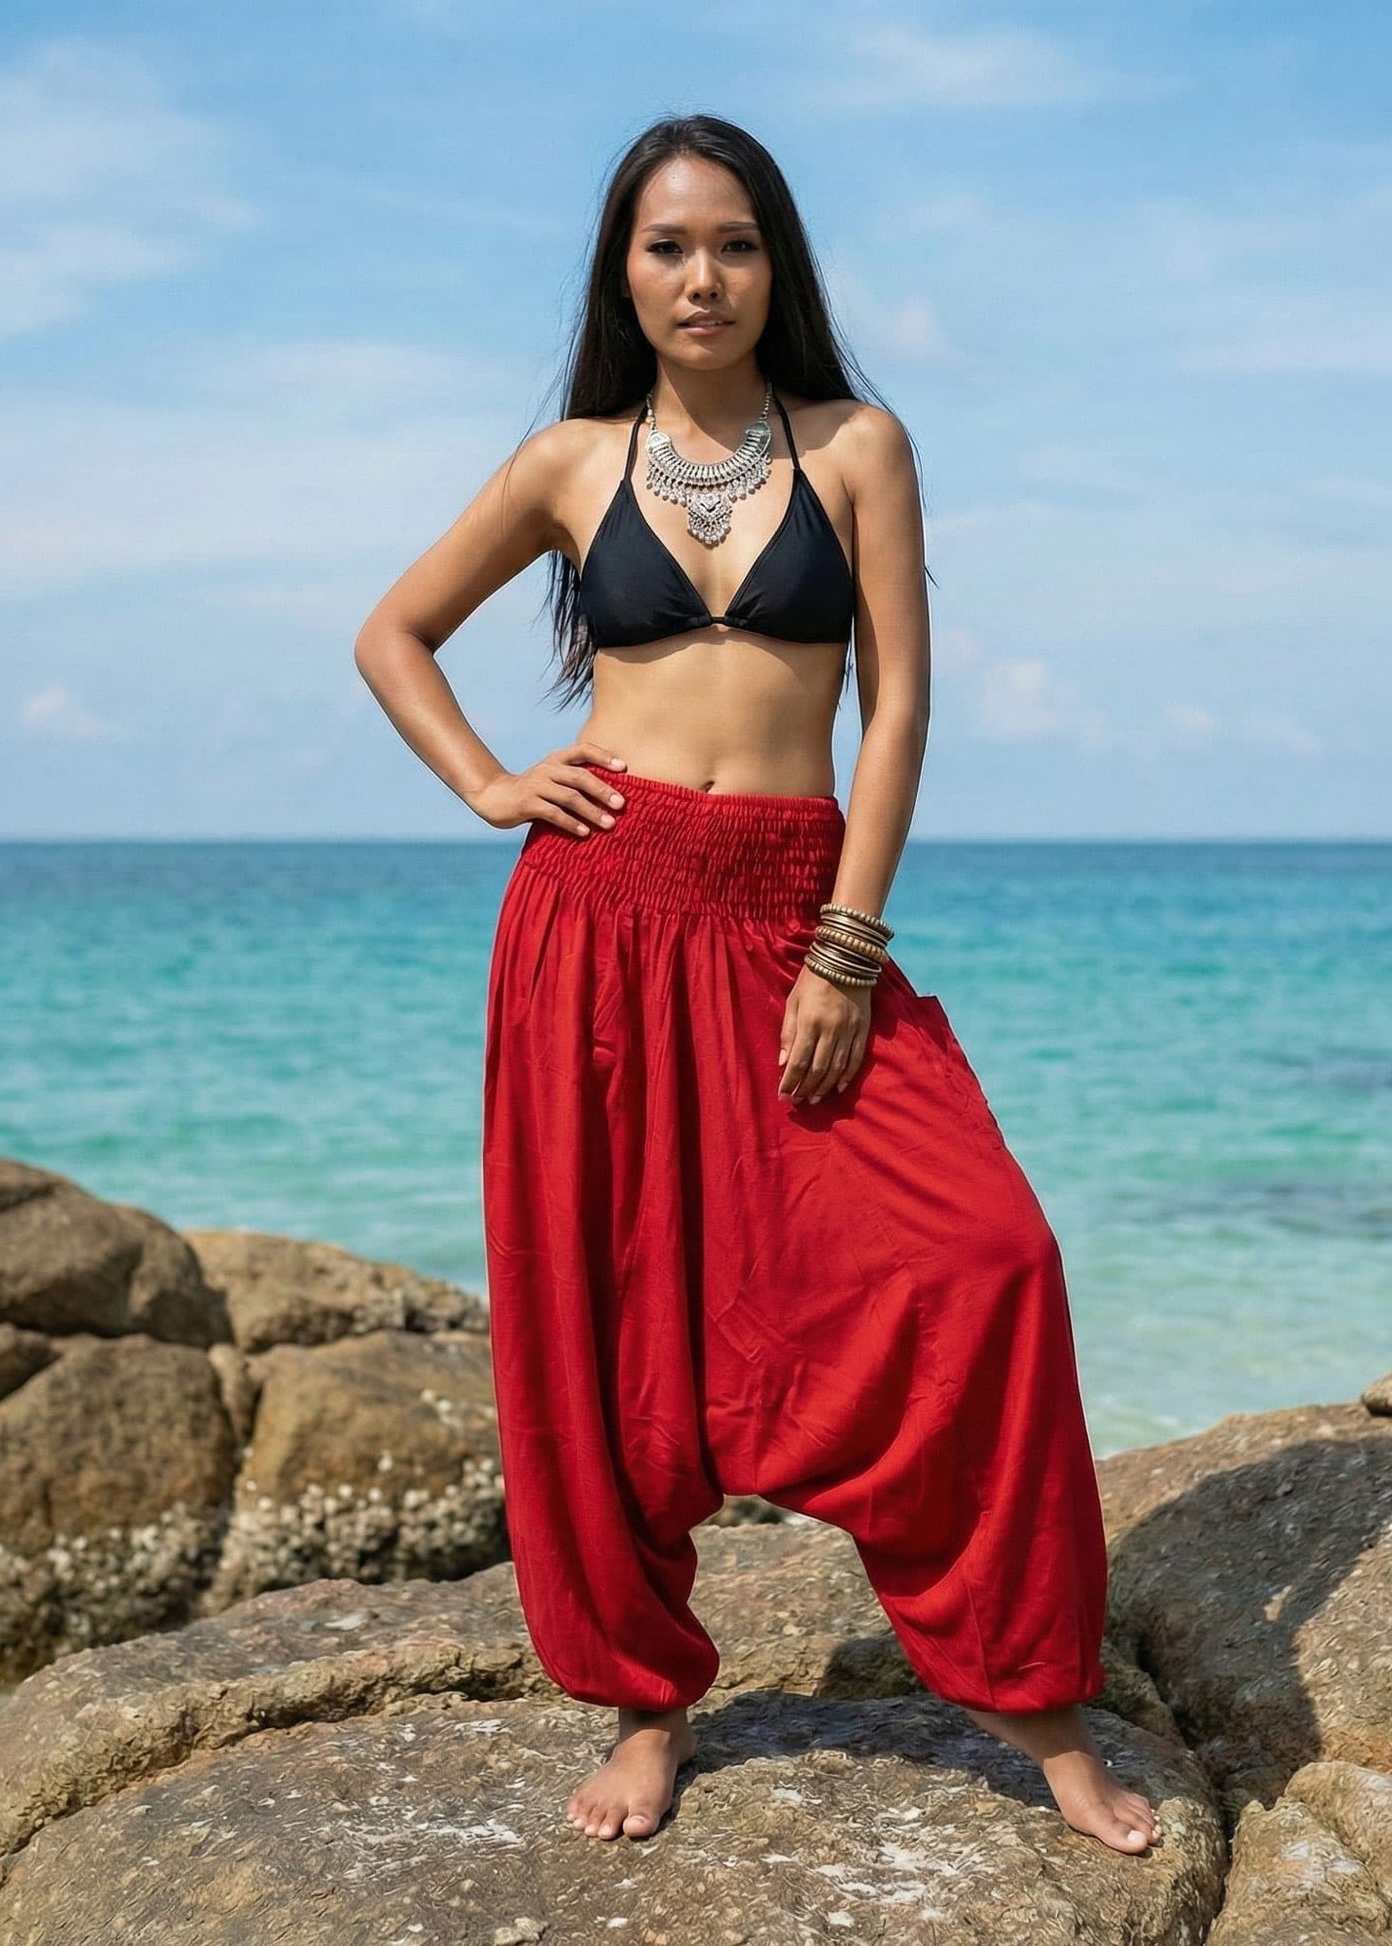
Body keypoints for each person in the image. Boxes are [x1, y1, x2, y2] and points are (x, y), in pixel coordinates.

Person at [353, 113, 1157, 1860]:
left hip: (794, 909)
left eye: (730, 243)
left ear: (774, 262)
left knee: (983, 1254)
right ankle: (646, 1702)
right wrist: (494, 783)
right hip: (595, 911)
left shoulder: (859, 445)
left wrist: (844, 947)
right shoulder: (567, 462)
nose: (698, 275)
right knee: (614, 1309)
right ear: (621, 275)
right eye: (663, 247)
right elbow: (389, 633)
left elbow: (900, 711)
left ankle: (1040, 1703)